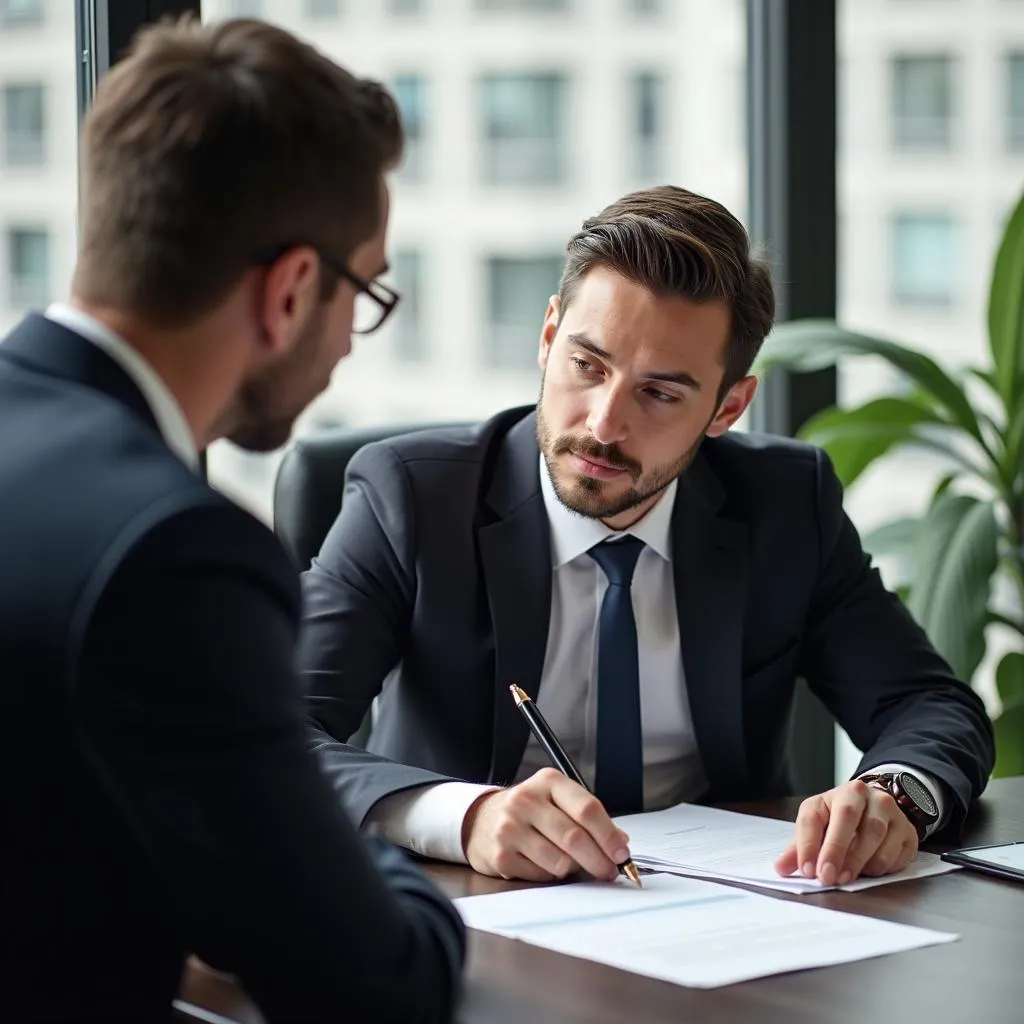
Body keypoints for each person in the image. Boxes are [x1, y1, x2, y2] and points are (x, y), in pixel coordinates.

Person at [298, 185, 995, 890]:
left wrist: (892, 796)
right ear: (547, 337)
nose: (603, 424)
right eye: (587, 365)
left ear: (728, 407)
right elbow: (272, 734)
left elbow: (927, 704)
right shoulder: (413, 497)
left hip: (730, 913)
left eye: (659, 393)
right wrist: (465, 817)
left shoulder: (785, 503)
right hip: (468, 910)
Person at [1, 16, 464, 1023]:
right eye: (365, 289)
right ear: (293, 289)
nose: (351, 339)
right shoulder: (174, 553)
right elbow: (374, 982)